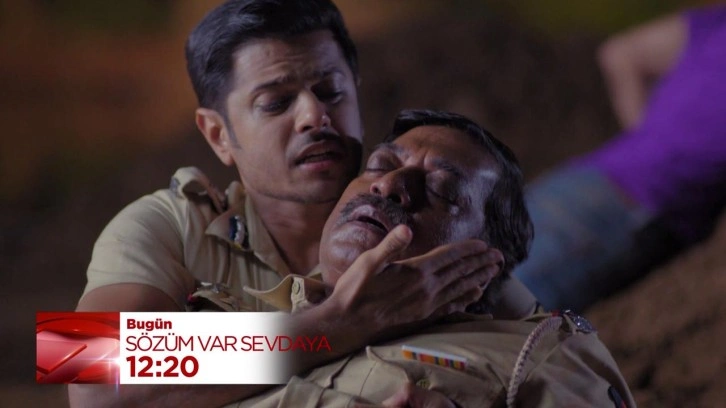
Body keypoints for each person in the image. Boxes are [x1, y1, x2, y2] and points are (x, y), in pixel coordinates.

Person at [70, 1, 516, 407]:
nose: (314, 116)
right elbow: (89, 374)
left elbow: (530, 349)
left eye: (331, 92)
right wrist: (340, 324)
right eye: (276, 102)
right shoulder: (174, 226)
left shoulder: (425, 231)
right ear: (219, 135)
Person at [226, 109, 634, 407]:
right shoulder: (244, 305)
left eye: (441, 191)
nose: (388, 185)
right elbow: (180, 367)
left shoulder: (536, 361)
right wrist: (339, 322)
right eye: (379, 166)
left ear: (483, 262)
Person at [514, 5, 726, 312]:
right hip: (616, 205)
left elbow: (621, 53)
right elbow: (619, 54)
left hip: (586, 181)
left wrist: (648, 140)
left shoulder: (715, 24)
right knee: (488, 312)